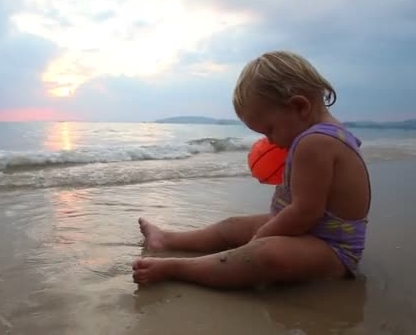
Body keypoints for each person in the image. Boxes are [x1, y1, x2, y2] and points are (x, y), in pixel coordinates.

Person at [132, 50, 371, 288]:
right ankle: (167, 239)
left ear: (299, 106)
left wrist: (258, 239)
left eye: (270, 130)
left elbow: (304, 213)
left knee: (264, 254)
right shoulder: (324, 135)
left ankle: (177, 268)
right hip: (309, 234)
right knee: (233, 225)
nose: (271, 141)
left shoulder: (315, 143)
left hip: (332, 251)